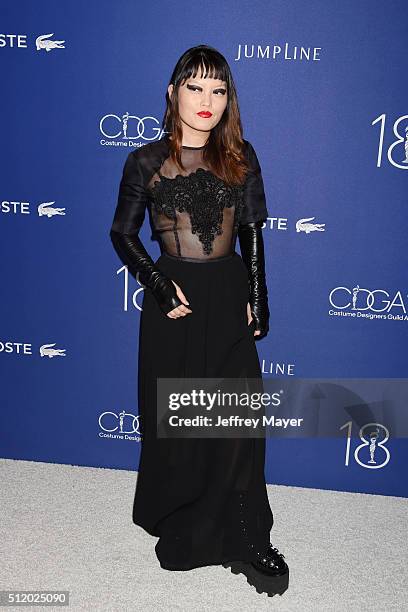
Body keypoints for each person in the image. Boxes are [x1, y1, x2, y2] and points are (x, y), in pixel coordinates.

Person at [109, 44, 289, 598]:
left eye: (218, 90)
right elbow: (122, 233)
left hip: (227, 294)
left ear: (227, 98)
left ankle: (248, 534)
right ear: (173, 93)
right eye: (195, 87)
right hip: (174, 301)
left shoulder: (241, 156)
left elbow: (254, 228)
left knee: (238, 417)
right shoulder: (145, 160)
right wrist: (159, 285)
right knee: (182, 424)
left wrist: (257, 291)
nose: (206, 101)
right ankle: (186, 519)